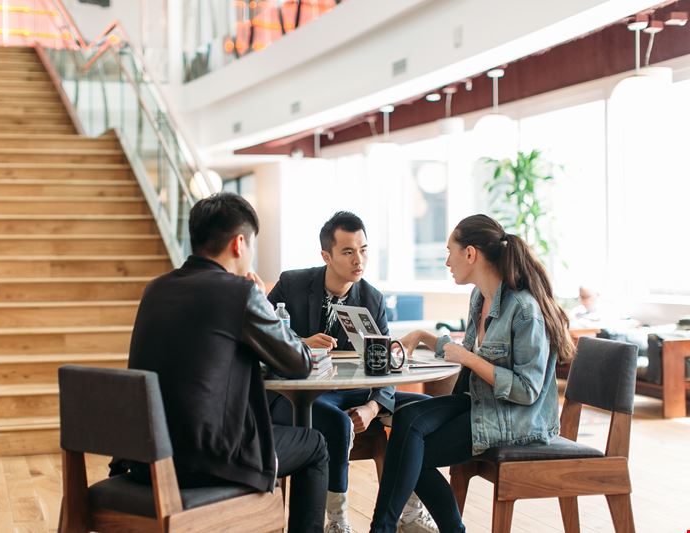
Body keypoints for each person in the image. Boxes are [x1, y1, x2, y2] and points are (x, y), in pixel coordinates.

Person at [119, 192, 329, 533]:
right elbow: (298, 364)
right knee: (315, 445)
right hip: (205, 462)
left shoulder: (154, 289)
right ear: (239, 243)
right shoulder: (240, 293)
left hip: (144, 458)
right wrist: (261, 300)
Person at [369, 214, 573, 533]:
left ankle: (385, 529)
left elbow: (527, 391)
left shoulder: (524, 310)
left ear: (471, 254)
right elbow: (469, 354)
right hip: (479, 400)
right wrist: (423, 336)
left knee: (410, 450)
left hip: (515, 418)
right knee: (406, 419)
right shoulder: (480, 296)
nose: (447, 261)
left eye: (450, 251)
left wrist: (469, 358)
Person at [267, 211, 435, 533]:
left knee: (419, 412)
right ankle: (338, 520)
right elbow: (259, 332)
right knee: (337, 421)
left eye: (363, 249)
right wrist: (300, 342)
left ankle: (410, 510)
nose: (359, 259)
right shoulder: (292, 284)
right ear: (325, 256)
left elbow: (384, 367)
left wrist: (373, 407)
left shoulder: (371, 298)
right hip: (296, 397)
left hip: (353, 392)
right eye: (348, 251)